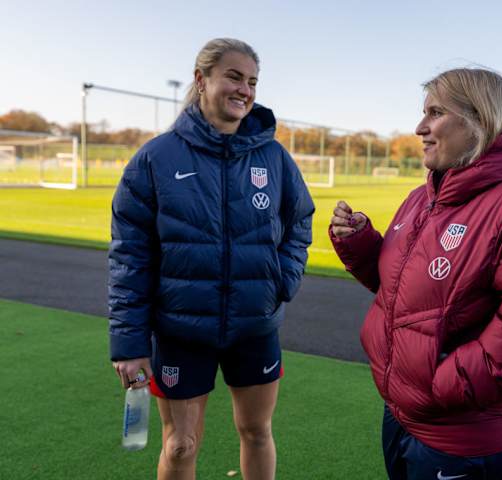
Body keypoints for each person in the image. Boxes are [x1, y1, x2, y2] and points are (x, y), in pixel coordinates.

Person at [330, 68, 502, 480]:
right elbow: (407, 291)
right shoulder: (422, 197)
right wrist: (359, 241)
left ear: (477, 118)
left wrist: (444, 384)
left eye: (435, 112)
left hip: (471, 436)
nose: (419, 127)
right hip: (406, 414)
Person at [109, 38, 314, 480]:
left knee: (257, 432)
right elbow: (130, 257)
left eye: (253, 81)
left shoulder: (273, 157)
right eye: (234, 77)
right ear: (202, 80)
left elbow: (300, 222)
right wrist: (129, 344)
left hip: (254, 326)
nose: (245, 89)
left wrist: (284, 280)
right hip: (182, 329)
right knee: (180, 446)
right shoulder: (155, 158)